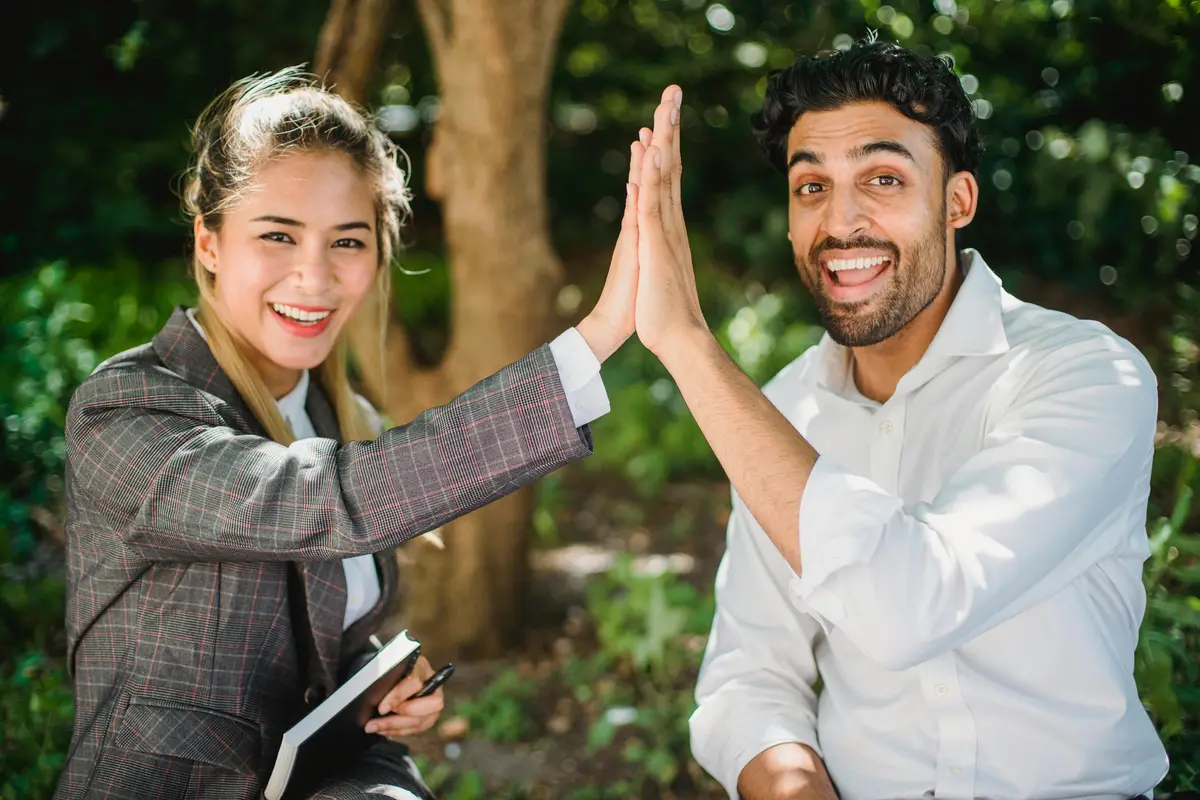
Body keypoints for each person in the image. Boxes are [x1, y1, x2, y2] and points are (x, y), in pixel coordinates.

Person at [55, 68, 639, 800]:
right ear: (209, 242)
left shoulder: (339, 416)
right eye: (277, 235)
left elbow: (318, 644)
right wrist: (596, 339)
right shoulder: (127, 410)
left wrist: (376, 681)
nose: (315, 277)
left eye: (348, 241)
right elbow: (319, 500)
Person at [622, 41, 1169, 800]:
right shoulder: (781, 411)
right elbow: (750, 677)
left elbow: (917, 600)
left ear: (958, 201)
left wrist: (686, 344)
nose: (841, 222)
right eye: (811, 185)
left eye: (883, 179)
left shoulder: (1085, 375)